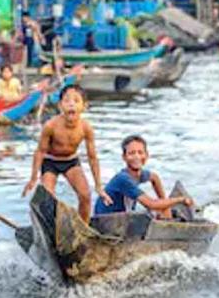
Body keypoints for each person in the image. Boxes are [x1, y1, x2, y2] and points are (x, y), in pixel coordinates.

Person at [22, 84, 111, 223]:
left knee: (85, 195)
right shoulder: (50, 126)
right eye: (67, 101)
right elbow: (40, 151)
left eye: (76, 101)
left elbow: (92, 157)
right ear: (60, 106)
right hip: (50, 161)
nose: (71, 105)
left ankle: (83, 227)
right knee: (47, 198)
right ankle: (49, 226)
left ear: (84, 106)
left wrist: (98, 185)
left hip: (71, 162)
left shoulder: (86, 128)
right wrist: (33, 178)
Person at [94, 135, 193, 220]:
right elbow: (151, 204)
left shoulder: (139, 174)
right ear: (124, 157)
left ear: (146, 155)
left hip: (123, 217)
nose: (137, 157)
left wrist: (163, 202)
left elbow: (155, 178)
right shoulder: (123, 179)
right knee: (152, 212)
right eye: (131, 153)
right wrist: (180, 199)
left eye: (140, 152)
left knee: (159, 211)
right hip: (107, 221)